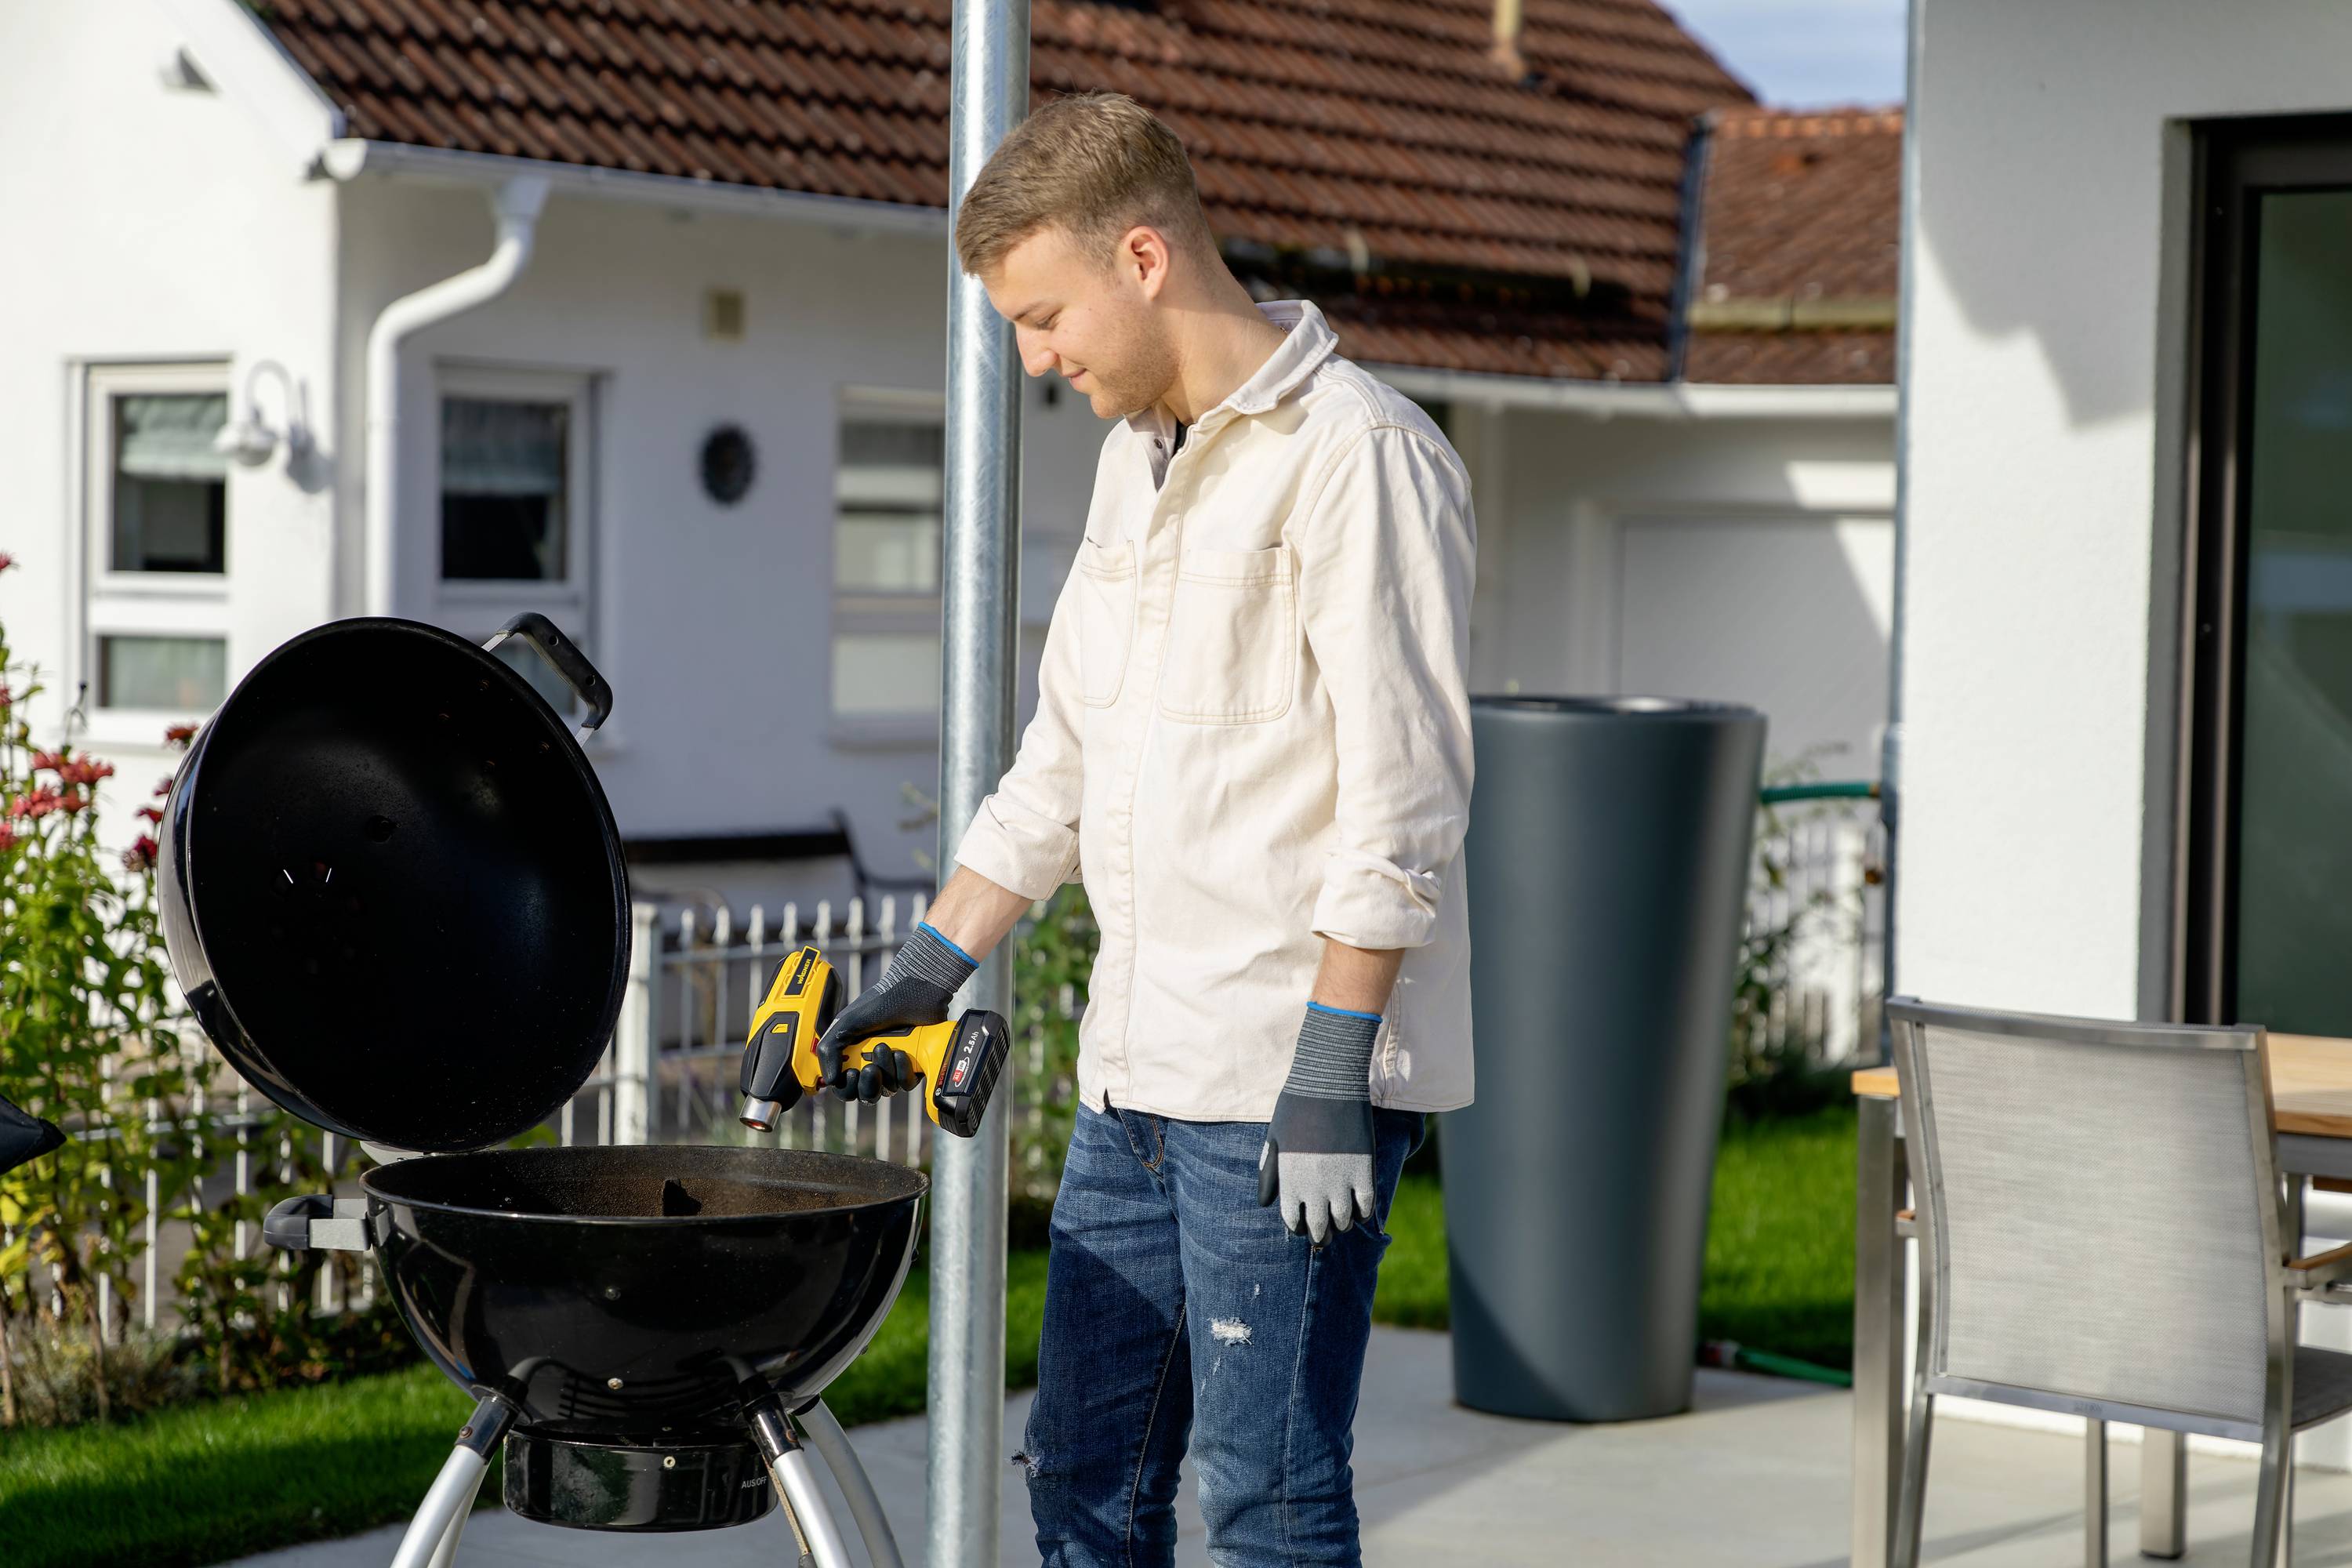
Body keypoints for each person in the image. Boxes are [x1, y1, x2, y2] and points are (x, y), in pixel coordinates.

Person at [818, 91, 1475, 1568]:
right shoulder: (1140, 461)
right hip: (1134, 1081)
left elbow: (1406, 800)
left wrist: (1327, 1076)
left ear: (1141, 258)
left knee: (1269, 1503)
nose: (1036, 360)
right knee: (1085, 1483)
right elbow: (1066, 755)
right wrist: (931, 962)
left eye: (1045, 318)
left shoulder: (1360, 458)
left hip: (1280, 1085)